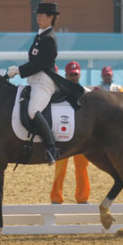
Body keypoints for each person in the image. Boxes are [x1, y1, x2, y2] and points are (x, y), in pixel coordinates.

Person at [6, 2, 84, 165]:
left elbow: (40, 63)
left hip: (44, 80)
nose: (38, 18)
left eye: (42, 15)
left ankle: (51, 148)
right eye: (37, 15)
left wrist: (18, 70)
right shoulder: (40, 35)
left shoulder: (49, 38)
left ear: (51, 17)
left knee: (33, 110)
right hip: (35, 79)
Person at [50, 61, 90, 204]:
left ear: (79, 75)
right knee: (60, 169)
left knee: (82, 169)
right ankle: (56, 197)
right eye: (71, 74)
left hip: (81, 138)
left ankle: (83, 198)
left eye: (75, 74)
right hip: (63, 137)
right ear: (65, 75)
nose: (73, 77)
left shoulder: (86, 93)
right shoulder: (58, 93)